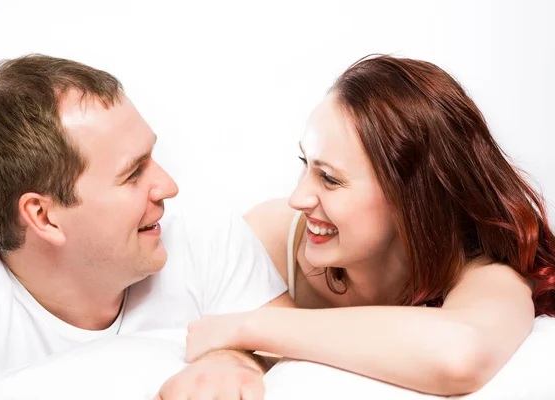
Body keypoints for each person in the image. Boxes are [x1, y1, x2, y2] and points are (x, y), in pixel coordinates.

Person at [185, 55, 555, 396]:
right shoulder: (273, 235)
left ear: (412, 200)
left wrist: (253, 327)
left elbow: (459, 356)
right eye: (305, 163)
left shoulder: (482, 271)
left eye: (330, 179)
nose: (298, 198)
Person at [0, 54, 291, 398]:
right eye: (133, 174)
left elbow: (286, 343)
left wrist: (234, 359)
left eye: (151, 158)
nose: (169, 187)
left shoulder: (210, 240)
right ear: (43, 217)